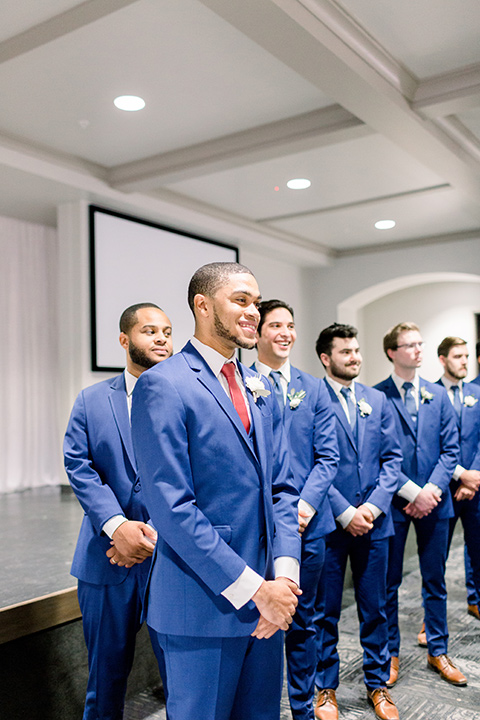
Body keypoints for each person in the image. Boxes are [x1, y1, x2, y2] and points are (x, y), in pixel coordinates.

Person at [131, 262, 302, 720]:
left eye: (256, 303)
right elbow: (172, 509)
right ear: (202, 306)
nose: (254, 312)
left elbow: (283, 489)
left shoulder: (256, 384)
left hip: (270, 604)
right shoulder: (163, 385)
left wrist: (283, 578)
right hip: (203, 605)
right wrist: (254, 590)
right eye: (241, 301)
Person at [63, 303, 173, 720]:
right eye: (150, 331)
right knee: (105, 682)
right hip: (105, 560)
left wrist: (156, 534)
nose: (162, 338)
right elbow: (79, 464)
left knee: (181, 682)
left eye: (166, 331)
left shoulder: (189, 398)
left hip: (171, 560)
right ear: (125, 340)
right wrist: (118, 527)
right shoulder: (92, 400)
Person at [253, 300, 339, 720]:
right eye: (275, 325)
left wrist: (302, 505)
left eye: (290, 325)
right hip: (261, 527)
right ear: (258, 332)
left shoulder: (315, 387)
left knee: (306, 620)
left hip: (310, 523)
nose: (285, 333)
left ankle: (303, 706)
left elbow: (328, 457)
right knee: (263, 622)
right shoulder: (242, 381)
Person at [314, 323, 402, 720]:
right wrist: (344, 511)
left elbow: (392, 460)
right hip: (331, 525)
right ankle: (326, 689)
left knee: (375, 608)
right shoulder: (312, 400)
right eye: (345, 352)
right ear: (325, 358)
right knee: (325, 611)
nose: (354, 358)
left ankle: (378, 685)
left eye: (356, 351)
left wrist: (374, 507)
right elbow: (309, 463)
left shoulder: (377, 400)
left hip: (375, 522)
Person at [375, 322, 465, 688]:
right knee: (389, 582)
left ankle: (438, 650)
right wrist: (412, 493)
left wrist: (430, 491)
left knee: (435, 579)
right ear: (392, 352)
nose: (417, 350)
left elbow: (451, 450)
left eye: (419, 344)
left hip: (436, 501)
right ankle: (390, 653)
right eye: (408, 345)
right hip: (396, 503)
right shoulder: (377, 396)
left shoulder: (437, 394)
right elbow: (379, 455)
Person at [416, 337, 480, 646]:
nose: (464, 361)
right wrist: (460, 476)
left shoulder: (476, 393)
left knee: (478, 550)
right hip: (441, 490)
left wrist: (474, 478)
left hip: (475, 488)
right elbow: (433, 445)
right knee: (435, 562)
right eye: (458, 356)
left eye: (467, 356)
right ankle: (431, 625)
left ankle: (476, 600)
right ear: (443, 359)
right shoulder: (429, 393)